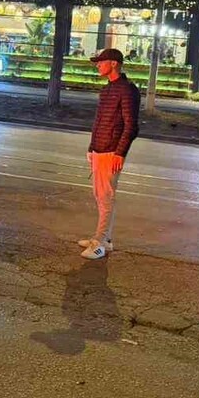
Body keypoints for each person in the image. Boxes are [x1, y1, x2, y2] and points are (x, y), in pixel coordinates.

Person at [82, 48, 140, 261]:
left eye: (101, 61)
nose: (98, 65)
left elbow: (131, 126)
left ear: (113, 63)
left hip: (111, 151)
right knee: (100, 196)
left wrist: (120, 153)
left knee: (106, 197)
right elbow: (99, 122)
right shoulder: (107, 90)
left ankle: (99, 243)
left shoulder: (127, 90)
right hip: (99, 149)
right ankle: (104, 239)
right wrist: (91, 147)